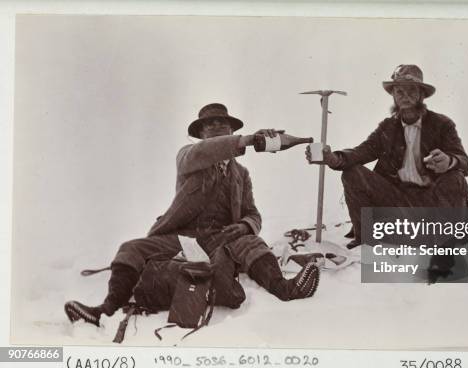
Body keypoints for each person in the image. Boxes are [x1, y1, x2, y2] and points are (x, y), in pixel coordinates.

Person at [65, 103, 320, 326]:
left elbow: (253, 213)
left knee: (251, 242)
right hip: (182, 237)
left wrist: (244, 225)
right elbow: (208, 150)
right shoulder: (188, 157)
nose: (217, 125)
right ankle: (105, 310)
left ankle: (285, 289)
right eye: (210, 124)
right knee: (130, 248)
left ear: (231, 130)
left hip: (221, 240)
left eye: (223, 123)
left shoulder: (241, 174)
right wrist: (248, 140)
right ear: (200, 134)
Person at [306, 64, 468, 279]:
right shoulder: (387, 128)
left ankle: (443, 255)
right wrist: (333, 158)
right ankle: (366, 238)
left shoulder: (442, 125)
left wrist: (450, 162)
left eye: (411, 90)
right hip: (399, 202)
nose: (405, 96)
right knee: (352, 172)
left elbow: (465, 163)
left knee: (455, 178)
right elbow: (360, 153)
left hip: (433, 206)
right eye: (399, 90)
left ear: (422, 94)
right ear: (393, 95)